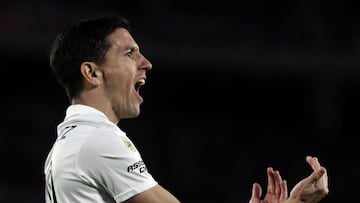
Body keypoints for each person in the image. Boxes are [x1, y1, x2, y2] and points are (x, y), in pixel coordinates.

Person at [43, 15, 329, 203]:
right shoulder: (98, 140)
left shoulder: (68, 144)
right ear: (92, 73)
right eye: (129, 53)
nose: (146, 62)